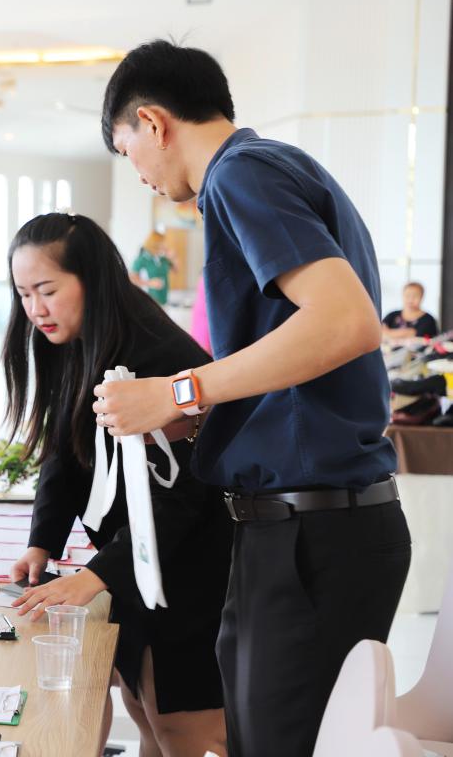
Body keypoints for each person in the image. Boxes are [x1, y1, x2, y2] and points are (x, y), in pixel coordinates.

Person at [97, 40, 410, 757]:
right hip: (301, 524)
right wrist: (192, 413)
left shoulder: (242, 173)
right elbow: (299, 360)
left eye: (125, 149)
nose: (137, 173)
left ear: (153, 122)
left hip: (314, 529)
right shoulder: (270, 169)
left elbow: (347, 323)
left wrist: (178, 389)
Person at [2, 213, 231, 757]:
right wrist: (42, 542)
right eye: (24, 294)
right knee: (144, 709)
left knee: (184, 725)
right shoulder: (79, 339)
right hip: (136, 557)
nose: (35, 309)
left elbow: (184, 494)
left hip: (190, 562)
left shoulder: (159, 356)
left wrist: (96, 576)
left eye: (47, 291)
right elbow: (64, 449)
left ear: (93, 280)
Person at [130, 230, 173, 304]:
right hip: (147, 300)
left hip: (162, 299)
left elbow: (176, 269)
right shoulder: (142, 259)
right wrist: (149, 283)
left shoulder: (162, 259)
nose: (165, 245)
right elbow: (132, 280)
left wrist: (172, 256)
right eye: (162, 243)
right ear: (155, 244)